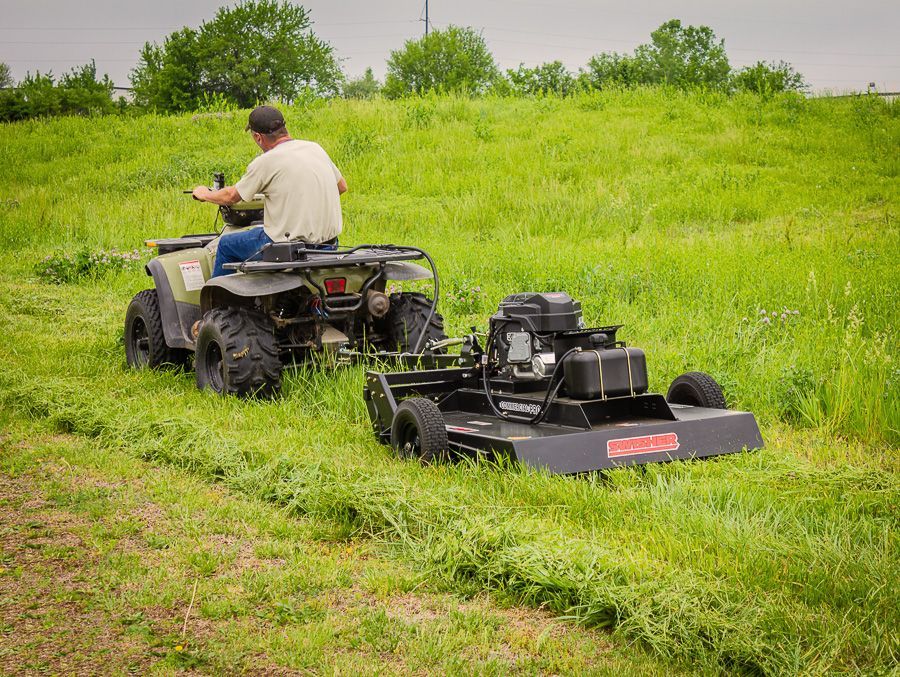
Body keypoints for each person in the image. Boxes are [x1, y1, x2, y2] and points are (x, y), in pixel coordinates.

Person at [192, 105, 348, 278]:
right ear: (284, 128)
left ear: (258, 137)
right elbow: (341, 187)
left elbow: (231, 196)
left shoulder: (266, 161)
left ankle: (217, 300)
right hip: (329, 245)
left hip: (287, 247)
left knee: (226, 245)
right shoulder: (314, 148)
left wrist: (204, 193)